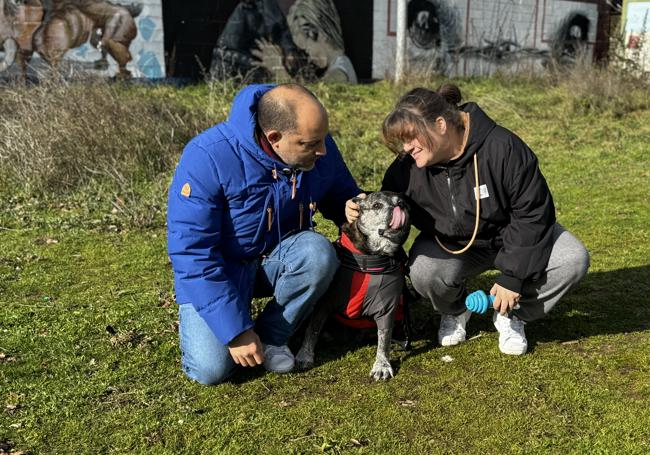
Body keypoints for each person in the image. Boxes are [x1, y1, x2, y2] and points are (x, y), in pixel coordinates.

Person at [346, 84, 589, 355]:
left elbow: (533, 213)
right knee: (424, 271)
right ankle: (457, 310)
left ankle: (513, 314)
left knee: (572, 259)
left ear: (440, 124)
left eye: (411, 138)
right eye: (402, 141)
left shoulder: (503, 148)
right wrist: (357, 207)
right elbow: (387, 204)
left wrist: (513, 276)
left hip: (514, 238)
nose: (406, 148)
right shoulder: (408, 166)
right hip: (455, 246)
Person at [168, 83, 362, 385]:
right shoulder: (206, 156)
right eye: (311, 145)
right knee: (211, 371)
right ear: (274, 138)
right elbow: (192, 254)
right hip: (223, 270)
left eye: (323, 139)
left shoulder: (316, 144)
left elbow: (341, 195)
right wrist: (235, 331)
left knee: (317, 253)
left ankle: (273, 336)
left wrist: (351, 207)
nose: (323, 151)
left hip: (280, 258)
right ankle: (237, 324)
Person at [252, 0, 357, 83]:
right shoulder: (339, 66)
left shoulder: (339, 74)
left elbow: (307, 101)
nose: (309, 59)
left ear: (314, 33)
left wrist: (279, 70)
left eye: (306, 51)